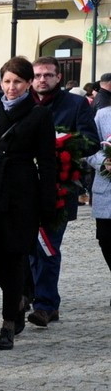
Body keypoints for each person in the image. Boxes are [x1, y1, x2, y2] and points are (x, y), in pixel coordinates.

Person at [0, 56, 56, 350]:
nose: (11, 87)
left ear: (28, 84)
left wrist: (48, 202)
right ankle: (21, 296)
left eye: (17, 82)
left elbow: (47, 161)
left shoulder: (38, 114)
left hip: (23, 191)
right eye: (7, 81)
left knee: (15, 255)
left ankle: (8, 322)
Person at [25, 56, 99, 328]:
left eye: (48, 75)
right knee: (28, 248)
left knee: (47, 246)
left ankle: (45, 305)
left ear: (58, 77)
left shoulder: (75, 104)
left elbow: (91, 142)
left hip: (59, 187)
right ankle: (32, 297)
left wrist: (62, 143)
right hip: (25, 188)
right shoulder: (24, 102)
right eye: (37, 75)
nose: (42, 79)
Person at [87, 106, 111, 292]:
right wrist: (103, 161)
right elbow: (88, 147)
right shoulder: (103, 115)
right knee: (106, 240)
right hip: (107, 194)